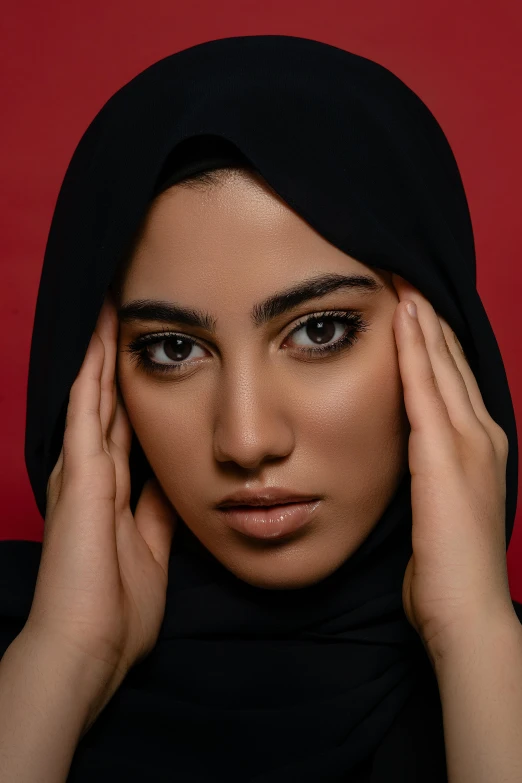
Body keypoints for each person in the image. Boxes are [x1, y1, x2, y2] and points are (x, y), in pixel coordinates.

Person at [0, 34, 521, 783]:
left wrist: (476, 639)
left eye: (320, 330)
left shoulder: (500, 677)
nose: (245, 440)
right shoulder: (26, 667)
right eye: (173, 348)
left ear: (441, 333)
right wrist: (64, 658)